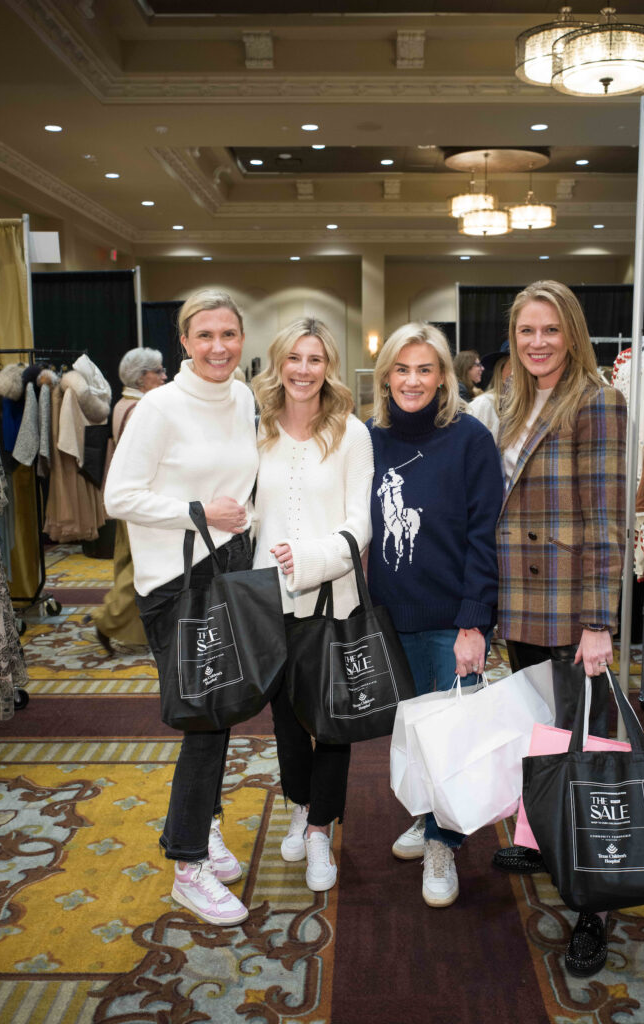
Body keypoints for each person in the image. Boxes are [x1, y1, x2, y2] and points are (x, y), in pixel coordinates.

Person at [105, 289, 259, 927]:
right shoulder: (159, 408)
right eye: (205, 336)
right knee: (203, 721)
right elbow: (119, 496)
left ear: (241, 340)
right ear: (184, 343)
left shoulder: (244, 396)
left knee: (221, 712)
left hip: (229, 569)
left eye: (229, 334)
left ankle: (205, 827)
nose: (219, 347)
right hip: (175, 582)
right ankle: (187, 864)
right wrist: (197, 512)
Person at [492, 281, 626, 977]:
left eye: (550, 330)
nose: (537, 342)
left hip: (573, 611)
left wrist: (599, 622)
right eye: (525, 331)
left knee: (591, 751)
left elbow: (607, 521)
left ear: (572, 333)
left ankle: (595, 905)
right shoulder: (516, 402)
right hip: (522, 605)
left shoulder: (599, 401)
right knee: (541, 737)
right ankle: (543, 838)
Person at [367, 322, 503, 908]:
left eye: (425, 369)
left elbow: (484, 535)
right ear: (386, 377)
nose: (413, 380)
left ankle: (444, 843)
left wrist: (474, 622)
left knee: (452, 736)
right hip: (388, 615)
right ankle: (425, 818)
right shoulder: (367, 440)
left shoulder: (470, 438)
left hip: (452, 616)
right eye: (402, 369)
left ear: (444, 376)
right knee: (413, 733)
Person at [252, 318, 373, 893]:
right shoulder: (255, 430)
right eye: (294, 358)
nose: (304, 370)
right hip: (267, 602)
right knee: (286, 722)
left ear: (330, 367)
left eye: (316, 359)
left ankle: (322, 826)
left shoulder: (351, 432)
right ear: (278, 363)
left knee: (334, 723)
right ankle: (301, 805)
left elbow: (360, 524)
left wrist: (308, 557)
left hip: (332, 598)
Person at [86, 348, 167, 655]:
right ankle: (107, 620)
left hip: (129, 500)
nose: (164, 376)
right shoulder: (142, 408)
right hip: (141, 502)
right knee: (138, 569)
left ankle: (129, 626)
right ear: (141, 376)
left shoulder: (123, 403)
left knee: (128, 565)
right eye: (157, 371)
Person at [467, 346, 512, 444]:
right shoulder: (483, 404)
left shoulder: (535, 405)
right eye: (512, 366)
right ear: (500, 371)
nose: (517, 372)